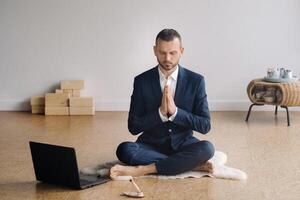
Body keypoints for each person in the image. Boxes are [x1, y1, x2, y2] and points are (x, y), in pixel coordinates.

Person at [110, 29, 214, 178]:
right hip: (151, 145)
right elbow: (133, 127)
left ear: (181, 51)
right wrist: (160, 114)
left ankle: (144, 170)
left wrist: (176, 113)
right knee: (124, 150)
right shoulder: (141, 81)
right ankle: (189, 164)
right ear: (154, 51)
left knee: (208, 148)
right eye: (162, 52)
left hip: (183, 144)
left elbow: (205, 125)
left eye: (173, 53)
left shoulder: (196, 81)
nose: (167, 58)